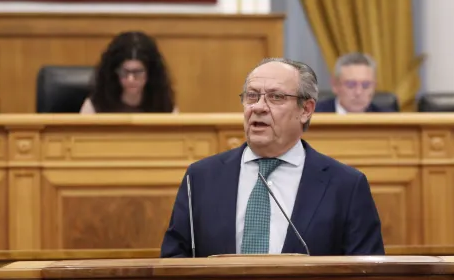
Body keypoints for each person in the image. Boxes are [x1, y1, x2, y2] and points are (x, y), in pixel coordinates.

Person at [160, 58, 385, 257]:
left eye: (276, 97)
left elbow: (366, 276)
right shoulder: (201, 178)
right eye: (252, 96)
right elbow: (173, 262)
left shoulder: (346, 185)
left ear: (306, 109)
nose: (258, 107)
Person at [80, 31, 178, 113]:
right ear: (114, 72)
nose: (130, 79)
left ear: (150, 73)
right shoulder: (95, 106)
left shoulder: (165, 106)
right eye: (125, 72)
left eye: (138, 72)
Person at [315, 52, 387, 113]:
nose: (358, 92)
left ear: (374, 86)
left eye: (366, 85)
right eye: (351, 85)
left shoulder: (388, 121)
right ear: (335, 85)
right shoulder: (311, 116)